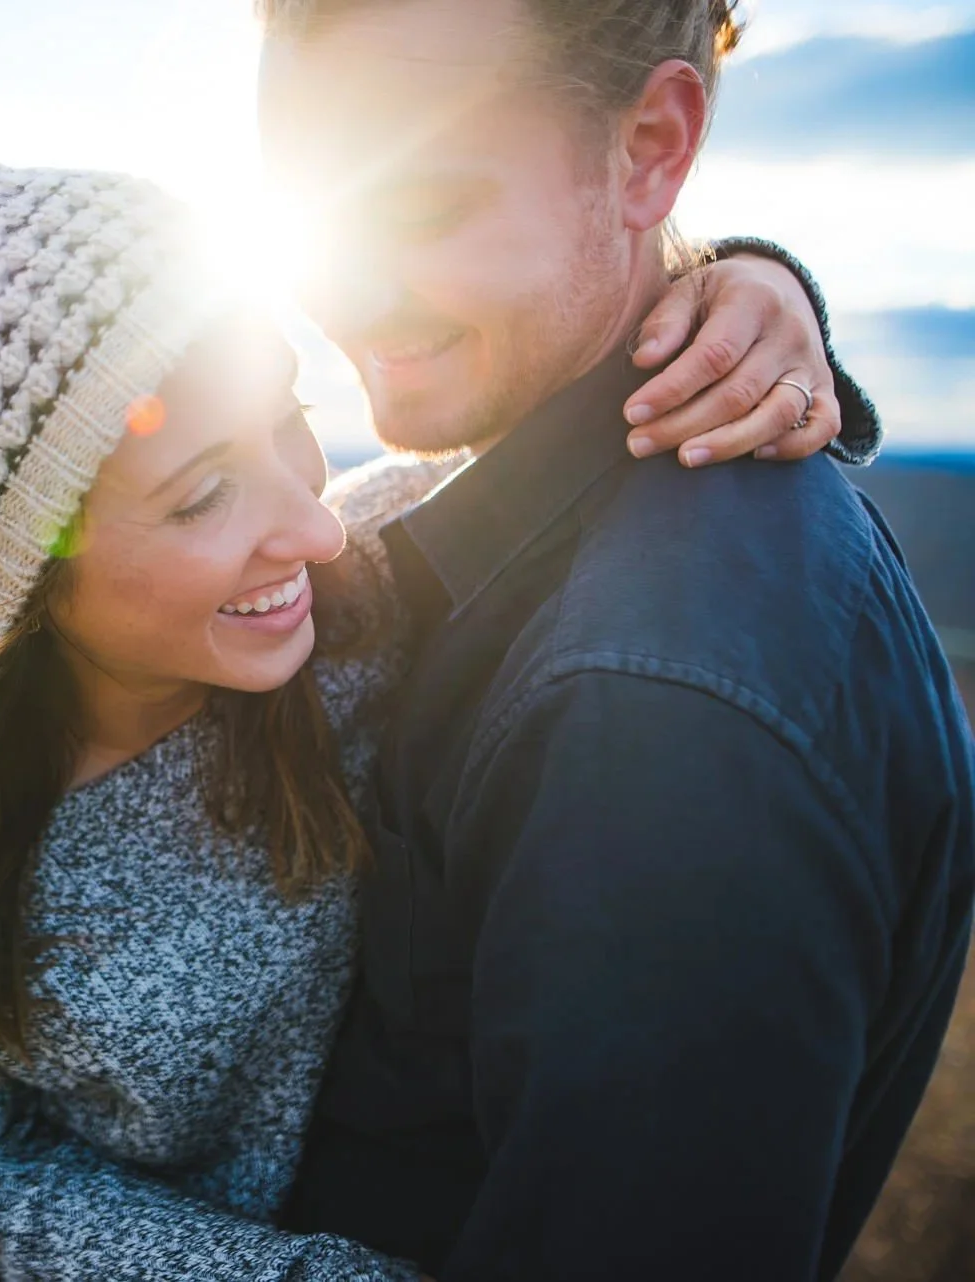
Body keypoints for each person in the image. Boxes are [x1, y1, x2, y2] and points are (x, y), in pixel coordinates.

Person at [0, 136, 876, 1281]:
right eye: (205, 495)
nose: (316, 526)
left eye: (289, 417)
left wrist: (756, 282)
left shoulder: (362, 591)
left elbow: (584, 423)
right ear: (21, 577)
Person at [254, 2, 975, 1279]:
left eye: (421, 206)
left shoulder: (658, 715)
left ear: (651, 146)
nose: (345, 292)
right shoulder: (554, 545)